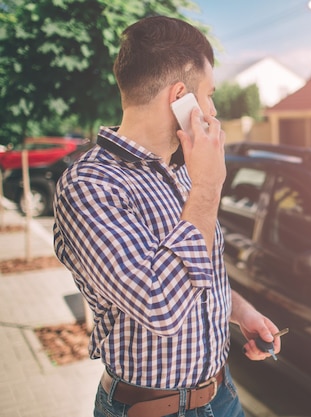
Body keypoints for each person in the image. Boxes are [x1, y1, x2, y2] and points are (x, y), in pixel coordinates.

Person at [53, 15, 282, 417]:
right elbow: (161, 306)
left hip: (221, 394)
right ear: (181, 96)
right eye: (208, 95)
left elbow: (199, 272)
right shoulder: (88, 186)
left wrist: (239, 310)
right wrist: (208, 188)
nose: (212, 110)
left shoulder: (179, 172)